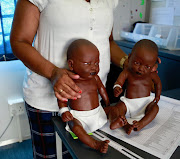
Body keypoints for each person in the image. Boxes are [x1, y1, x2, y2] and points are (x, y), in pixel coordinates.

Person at [10, 0, 131, 158]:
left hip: (92, 104)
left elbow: (108, 41)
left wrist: (130, 63)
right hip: (49, 104)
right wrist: (53, 72)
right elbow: (19, 41)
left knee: (89, 154)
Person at [59, 39, 110, 153]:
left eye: (96, 63)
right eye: (88, 63)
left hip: (97, 112)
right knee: (75, 127)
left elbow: (101, 89)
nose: (94, 67)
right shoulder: (70, 80)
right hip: (79, 117)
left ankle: (123, 124)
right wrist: (64, 111)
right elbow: (62, 97)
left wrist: (107, 101)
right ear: (71, 64)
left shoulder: (95, 78)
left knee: (114, 110)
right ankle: (95, 144)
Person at [108, 39, 162, 135]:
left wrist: (157, 96)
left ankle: (141, 124)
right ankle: (125, 125)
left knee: (155, 108)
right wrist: (117, 88)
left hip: (146, 103)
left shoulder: (152, 74)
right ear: (129, 58)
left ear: (154, 66)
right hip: (128, 104)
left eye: (147, 66)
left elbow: (158, 84)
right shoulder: (127, 72)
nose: (141, 68)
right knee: (116, 109)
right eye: (137, 63)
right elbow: (119, 82)